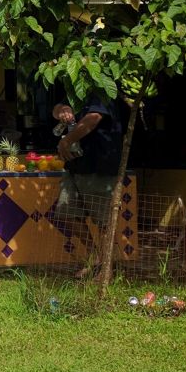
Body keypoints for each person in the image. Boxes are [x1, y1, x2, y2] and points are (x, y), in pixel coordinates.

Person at [52, 97, 123, 262]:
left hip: (98, 166)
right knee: (66, 211)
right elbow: (55, 108)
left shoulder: (101, 88)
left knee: (104, 222)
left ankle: (106, 269)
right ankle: (94, 258)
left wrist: (67, 140)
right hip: (74, 165)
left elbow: (93, 118)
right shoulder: (73, 84)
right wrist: (62, 109)